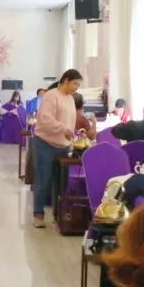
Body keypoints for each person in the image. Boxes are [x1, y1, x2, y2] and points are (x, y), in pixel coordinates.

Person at [31, 69, 82, 228]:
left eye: (78, 85)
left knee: (61, 183)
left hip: (63, 146)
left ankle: (58, 215)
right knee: (43, 181)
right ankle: (38, 215)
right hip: (45, 143)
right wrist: (64, 129)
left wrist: (71, 134)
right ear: (65, 80)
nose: (76, 88)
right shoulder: (51, 96)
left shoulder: (71, 99)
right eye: (75, 84)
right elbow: (45, 120)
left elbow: (70, 121)